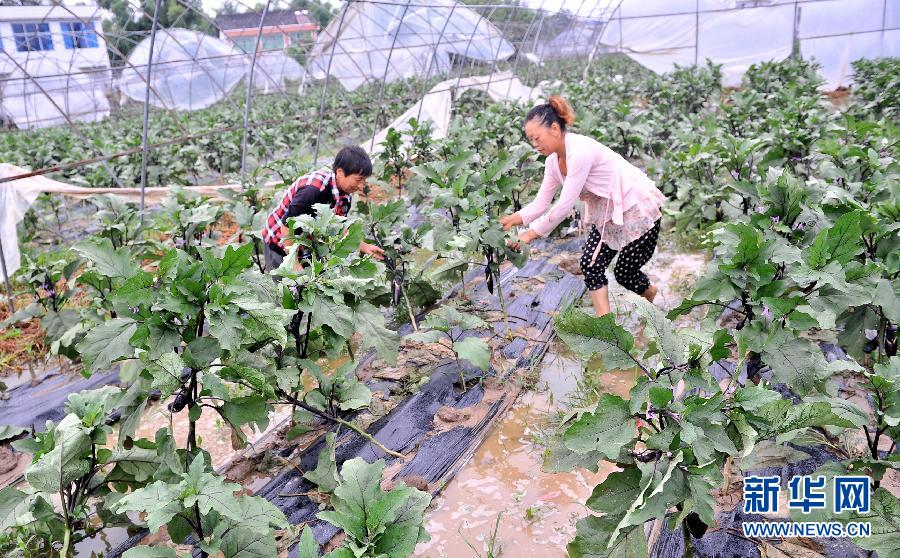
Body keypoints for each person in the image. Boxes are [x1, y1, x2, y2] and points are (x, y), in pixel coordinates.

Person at [499, 96, 666, 317]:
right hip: (607, 214)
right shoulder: (552, 162)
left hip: (636, 207)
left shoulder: (579, 151)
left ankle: (649, 293)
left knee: (625, 272)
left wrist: (531, 234)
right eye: (531, 140)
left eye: (537, 138)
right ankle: (605, 325)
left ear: (555, 129)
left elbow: (565, 204)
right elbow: (541, 202)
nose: (534, 144)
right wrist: (514, 219)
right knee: (591, 263)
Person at [262, 145, 384, 272]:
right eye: (359, 179)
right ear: (340, 172)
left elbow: (338, 229)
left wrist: (363, 246)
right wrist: (293, 262)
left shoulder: (345, 196)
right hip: (279, 241)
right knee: (282, 286)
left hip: (304, 244)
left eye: (364, 180)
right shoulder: (313, 190)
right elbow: (287, 226)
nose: (361, 185)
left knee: (303, 285)